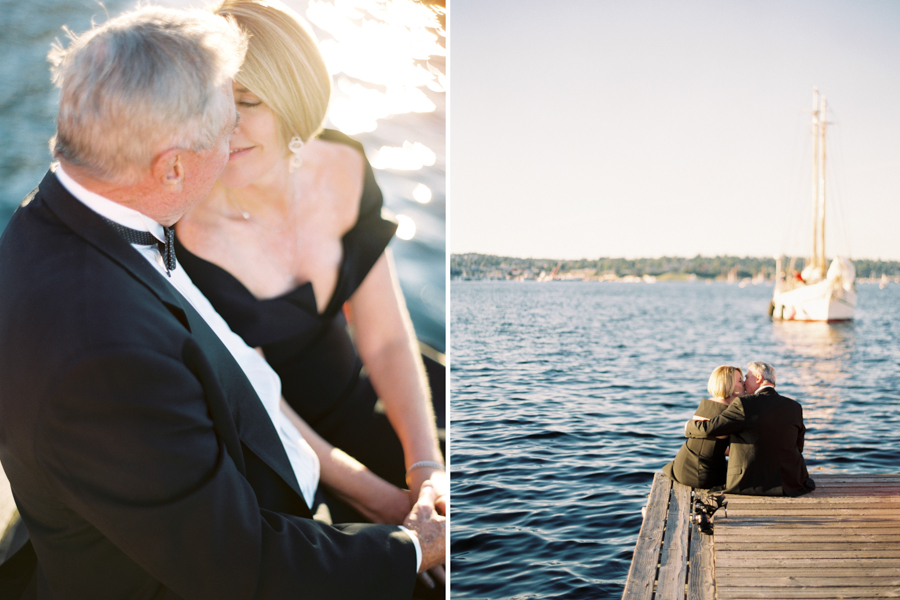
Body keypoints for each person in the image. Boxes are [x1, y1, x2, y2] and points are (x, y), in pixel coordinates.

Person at [0, 6, 443, 599]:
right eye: (220, 118)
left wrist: (423, 468)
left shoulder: (102, 204)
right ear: (175, 166)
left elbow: (375, 339)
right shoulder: (105, 352)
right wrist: (409, 545)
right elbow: (241, 563)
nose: (231, 134)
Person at [175, 0, 444, 527]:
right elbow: (258, 403)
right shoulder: (186, 231)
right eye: (208, 106)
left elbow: (387, 338)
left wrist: (425, 468)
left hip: (360, 396)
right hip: (268, 452)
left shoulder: (343, 164)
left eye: (248, 101)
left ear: (294, 96)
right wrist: (381, 501)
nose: (222, 129)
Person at [685, 362, 815, 496]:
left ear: (758, 378)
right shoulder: (794, 406)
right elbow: (798, 446)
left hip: (751, 483)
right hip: (792, 482)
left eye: (746, 378)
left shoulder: (744, 403)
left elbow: (711, 428)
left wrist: (688, 425)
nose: (744, 383)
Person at [662, 365, 744, 489]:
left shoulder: (708, 403)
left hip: (681, 465)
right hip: (701, 474)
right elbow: (736, 450)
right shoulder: (728, 413)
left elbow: (712, 445)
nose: (744, 384)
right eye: (740, 381)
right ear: (729, 385)